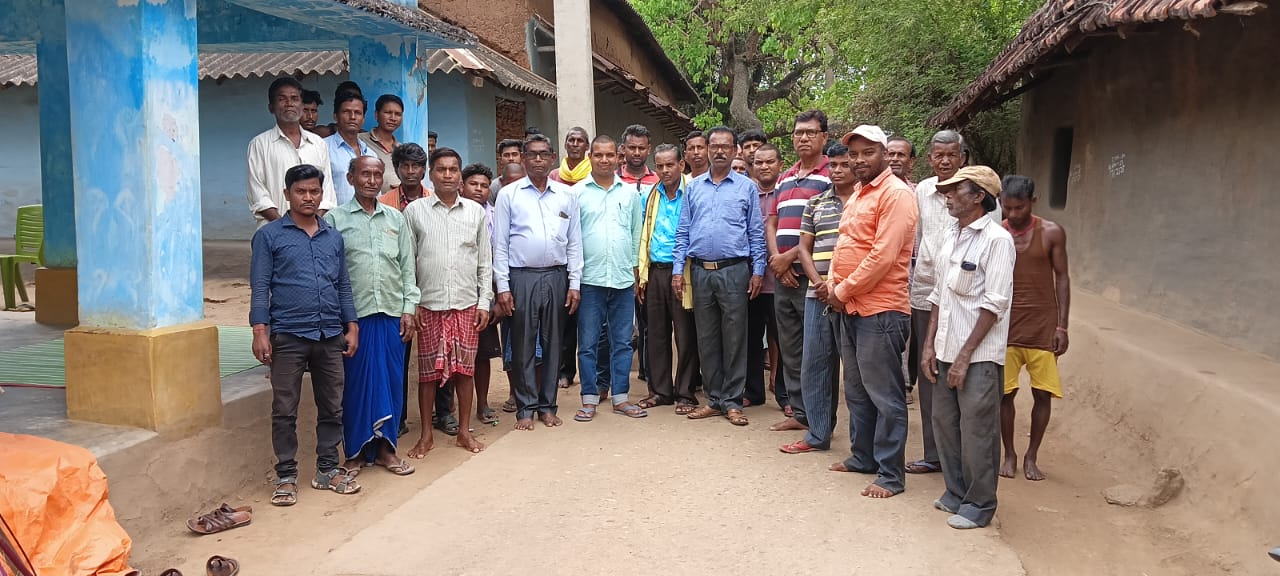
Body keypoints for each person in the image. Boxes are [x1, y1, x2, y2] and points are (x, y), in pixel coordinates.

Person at [250, 164, 360, 506]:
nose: (308, 197)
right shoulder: (269, 236)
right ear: (287, 194)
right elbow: (260, 287)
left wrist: (352, 325)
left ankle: (327, 469)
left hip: (329, 334)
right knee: (285, 408)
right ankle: (286, 476)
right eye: (301, 191)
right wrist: (260, 331)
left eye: (314, 191)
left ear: (322, 193)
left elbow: (343, 285)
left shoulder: (333, 237)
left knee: (332, 405)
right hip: (288, 334)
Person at [824, 125, 917, 499]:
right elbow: (844, 244)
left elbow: (883, 256)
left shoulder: (896, 194)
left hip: (881, 310)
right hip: (849, 307)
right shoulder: (859, 193)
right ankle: (863, 456)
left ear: (883, 153)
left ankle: (891, 474)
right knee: (857, 390)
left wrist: (841, 290)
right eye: (854, 154)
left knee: (885, 395)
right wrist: (833, 284)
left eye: (868, 153)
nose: (859, 160)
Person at [920, 166, 1016, 530]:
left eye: (955, 190)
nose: (947, 196)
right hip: (945, 349)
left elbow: (995, 303)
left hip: (978, 357)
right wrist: (929, 345)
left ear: (978, 197)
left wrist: (964, 357)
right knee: (945, 423)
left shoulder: (997, 240)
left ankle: (980, 504)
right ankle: (956, 492)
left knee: (978, 431)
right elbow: (938, 295)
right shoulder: (952, 235)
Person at [906, 130, 1000, 475]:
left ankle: (967, 463)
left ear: (963, 158)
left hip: (970, 302)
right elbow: (917, 239)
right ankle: (936, 455)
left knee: (968, 380)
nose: (944, 161)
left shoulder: (981, 198)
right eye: (938, 155)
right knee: (930, 372)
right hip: (927, 293)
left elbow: (993, 258)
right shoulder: (922, 190)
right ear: (930, 158)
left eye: (951, 155)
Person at [323, 156, 418, 477]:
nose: (372, 180)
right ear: (351, 178)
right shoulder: (335, 220)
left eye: (377, 174)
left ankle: (387, 451)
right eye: (365, 174)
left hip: (391, 314)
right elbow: (331, 272)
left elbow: (408, 268)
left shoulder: (396, 219)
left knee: (391, 382)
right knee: (356, 387)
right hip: (355, 319)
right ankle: (354, 453)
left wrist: (409, 309)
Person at [673, 126, 766, 427]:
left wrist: (758, 270)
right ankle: (714, 399)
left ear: (735, 149)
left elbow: (756, 232)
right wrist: (678, 270)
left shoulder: (746, 187)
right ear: (707, 149)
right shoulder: (693, 187)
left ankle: (733, 401)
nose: (720, 151)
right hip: (700, 271)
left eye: (726, 146)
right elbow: (683, 231)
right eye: (714, 146)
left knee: (736, 337)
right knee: (707, 337)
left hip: (734, 271)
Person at [403, 147, 493, 456]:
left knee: (465, 371)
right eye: (441, 169)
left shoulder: (475, 212)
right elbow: (408, 262)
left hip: (467, 304)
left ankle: (464, 433)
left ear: (460, 176)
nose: (447, 175)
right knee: (428, 373)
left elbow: (484, 262)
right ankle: (426, 435)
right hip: (429, 304)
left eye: (453, 170)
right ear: (431, 174)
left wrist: (484, 302)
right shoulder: (415, 212)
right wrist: (412, 303)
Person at [494, 134, 583, 430]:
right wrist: (503, 287)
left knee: (554, 343)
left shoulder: (566, 195)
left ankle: (548, 406)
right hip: (522, 276)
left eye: (544, 154)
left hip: (557, 275)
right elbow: (500, 245)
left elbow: (574, 242)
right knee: (523, 344)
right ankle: (525, 408)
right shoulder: (509, 195)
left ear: (553, 157)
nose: (538, 160)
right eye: (532, 154)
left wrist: (574, 283)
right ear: (523, 158)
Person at [780, 143, 855, 454]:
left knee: (856, 372)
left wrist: (842, 288)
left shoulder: (866, 200)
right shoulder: (816, 203)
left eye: (844, 164)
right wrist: (819, 283)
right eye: (833, 165)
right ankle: (818, 433)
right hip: (818, 294)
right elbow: (803, 249)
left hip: (854, 295)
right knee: (815, 364)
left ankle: (863, 445)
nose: (837, 170)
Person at [999, 175, 1070, 481]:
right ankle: (1009, 454)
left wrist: (1062, 326)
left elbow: (1062, 277)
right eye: (1007, 208)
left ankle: (1031, 455)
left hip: (1042, 325)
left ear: (1033, 202)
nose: (1013, 214)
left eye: (1020, 207)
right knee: (1005, 394)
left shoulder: (1052, 232)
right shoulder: (997, 233)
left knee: (1042, 394)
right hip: (1006, 326)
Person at [571, 135, 645, 421]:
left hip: (623, 279)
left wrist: (636, 272)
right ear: (590, 157)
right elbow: (571, 239)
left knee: (622, 342)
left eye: (610, 155)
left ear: (618, 157)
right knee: (588, 343)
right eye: (599, 155)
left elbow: (636, 233)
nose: (604, 160)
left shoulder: (629, 194)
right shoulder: (576, 194)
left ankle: (621, 397)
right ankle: (589, 398)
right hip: (589, 280)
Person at [378, 143, 450, 436]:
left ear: (424, 170)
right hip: (398, 292)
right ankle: (398, 418)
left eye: (416, 166)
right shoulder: (384, 203)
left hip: (433, 288)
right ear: (396, 169)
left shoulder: (435, 200)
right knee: (400, 356)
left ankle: (444, 413)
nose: (410, 171)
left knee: (441, 352)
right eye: (405, 166)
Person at [768, 110, 832, 433]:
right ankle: (800, 412)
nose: (803, 138)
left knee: (817, 351)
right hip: (784, 277)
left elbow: (828, 230)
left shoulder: (833, 175)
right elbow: (772, 223)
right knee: (790, 347)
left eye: (810, 132)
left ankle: (821, 418)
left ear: (824, 137)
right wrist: (778, 260)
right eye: (798, 132)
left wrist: (790, 258)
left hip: (813, 278)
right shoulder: (785, 177)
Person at [637, 144, 700, 413]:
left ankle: (685, 392)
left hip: (684, 270)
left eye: (670, 165)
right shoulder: (650, 195)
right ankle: (661, 391)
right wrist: (640, 274)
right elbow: (642, 233)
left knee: (685, 334)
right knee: (656, 334)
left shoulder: (694, 191)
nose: (664, 170)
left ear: (681, 165)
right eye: (660, 166)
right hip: (655, 271)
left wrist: (680, 269)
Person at [246, 78, 337, 228]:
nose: (289, 103)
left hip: (314, 232)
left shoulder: (318, 144)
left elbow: (327, 192)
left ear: (301, 105)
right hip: (274, 230)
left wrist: (311, 224)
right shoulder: (259, 144)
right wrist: (286, 227)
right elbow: (258, 195)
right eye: (282, 99)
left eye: (295, 99)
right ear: (271, 107)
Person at [459, 163, 504, 427]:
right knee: (455, 353)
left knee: (483, 353)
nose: (479, 189)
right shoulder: (455, 213)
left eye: (484, 185)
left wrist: (495, 296)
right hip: (457, 291)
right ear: (462, 186)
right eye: (473, 184)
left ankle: (483, 403)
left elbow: (500, 256)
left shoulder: (496, 215)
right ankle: (450, 409)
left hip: (485, 292)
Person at [618, 124, 660, 385]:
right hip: (620, 259)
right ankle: (615, 378)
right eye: (631, 147)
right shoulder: (613, 181)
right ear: (623, 149)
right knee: (620, 322)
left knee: (649, 319)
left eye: (641, 148)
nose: (636, 152)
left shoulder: (658, 181)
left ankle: (647, 371)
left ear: (649, 149)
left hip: (650, 261)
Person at [746, 144, 784, 409]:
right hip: (751, 279)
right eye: (758, 162)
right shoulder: (746, 192)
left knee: (784, 340)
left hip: (782, 278)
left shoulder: (786, 191)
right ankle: (753, 391)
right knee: (751, 338)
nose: (764, 167)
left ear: (780, 164)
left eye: (769, 162)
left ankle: (785, 395)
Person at [324, 92, 374, 205]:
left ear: (363, 119)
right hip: (334, 215)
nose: (352, 117)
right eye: (346, 112)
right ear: (335, 116)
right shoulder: (323, 148)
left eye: (358, 113)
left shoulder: (370, 154)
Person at [359, 95, 404, 193]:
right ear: (376, 115)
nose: (393, 118)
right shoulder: (360, 141)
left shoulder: (402, 149)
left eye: (398, 114)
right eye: (388, 113)